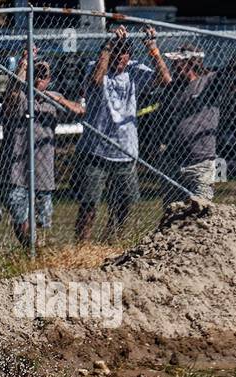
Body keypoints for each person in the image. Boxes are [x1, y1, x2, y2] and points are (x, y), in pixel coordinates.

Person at [73, 25, 170, 243]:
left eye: (123, 53)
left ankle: (111, 242)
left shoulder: (135, 71)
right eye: (116, 52)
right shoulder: (95, 66)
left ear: (129, 55)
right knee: (89, 204)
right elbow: (97, 81)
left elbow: (165, 79)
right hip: (95, 150)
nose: (120, 58)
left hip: (125, 150)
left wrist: (152, 48)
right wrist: (107, 46)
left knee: (125, 203)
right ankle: (82, 247)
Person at [153, 24, 236, 203]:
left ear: (192, 62)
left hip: (201, 160)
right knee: (172, 212)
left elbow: (234, 68)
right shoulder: (172, 88)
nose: (174, 64)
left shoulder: (210, 83)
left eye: (178, 61)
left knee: (200, 208)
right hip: (172, 161)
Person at [2, 51, 84, 246]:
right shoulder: (21, 97)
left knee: (42, 220)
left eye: (44, 76)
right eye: (36, 74)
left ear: (49, 79)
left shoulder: (54, 98)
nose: (39, 79)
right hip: (18, 172)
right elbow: (12, 93)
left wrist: (60, 101)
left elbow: (80, 111)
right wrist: (22, 65)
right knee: (21, 217)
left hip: (44, 173)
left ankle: (38, 250)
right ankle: (30, 249)